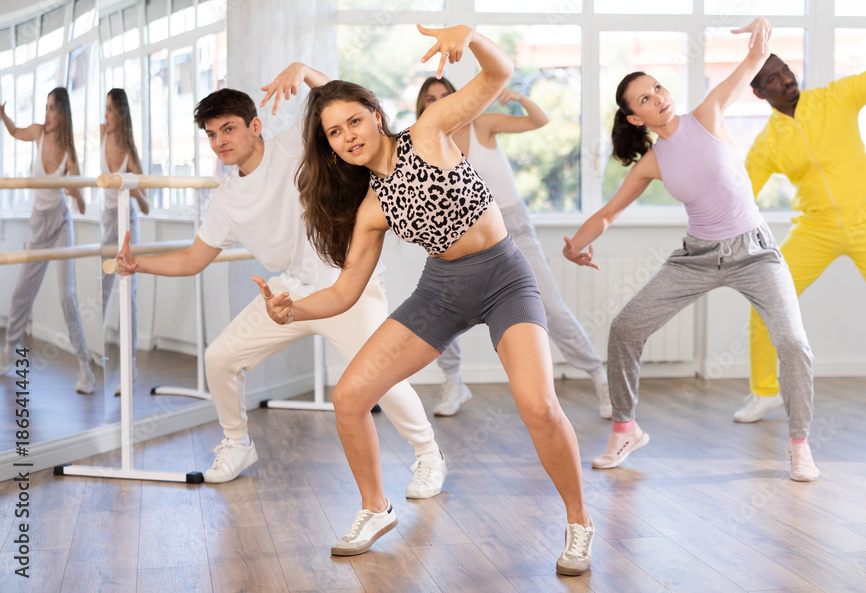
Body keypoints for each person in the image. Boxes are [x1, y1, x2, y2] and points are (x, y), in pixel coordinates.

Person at [257, 24, 594, 575]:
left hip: (504, 276)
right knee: (348, 398)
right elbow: (345, 292)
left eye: (354, 121)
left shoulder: (431, 129)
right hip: (441, 291)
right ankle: (375, 507)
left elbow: (499, 72)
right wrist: (291, 308)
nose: (348, 136)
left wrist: (473, 35)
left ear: (377, 116)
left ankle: (578, 521)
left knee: (539, 407)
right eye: (335, 133)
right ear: (331, 147)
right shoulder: (372, 208)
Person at [114, 86, 447, 497]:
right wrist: (138, 265)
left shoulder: (292, 146)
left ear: (255, 126)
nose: (221, 142)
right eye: (212, 134)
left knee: (380, 378)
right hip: (291, 292)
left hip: (348, 286)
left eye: (229, 129)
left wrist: (306, 74)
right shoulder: (226, 200)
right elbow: (192, 259)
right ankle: (237, 445)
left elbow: (343, 104)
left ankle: (429, 455)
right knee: (219, 357)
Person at [563, 19, 819, 482]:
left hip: (755, 252)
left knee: (793, 343)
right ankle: (625, 428)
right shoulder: (651, 163)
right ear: (636, 118)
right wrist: (574, 246)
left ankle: (799, 444)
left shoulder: (709, 113)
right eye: (644, 98)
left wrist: (761, 27)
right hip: (697, 257)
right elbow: (607, 213)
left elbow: (754, 61)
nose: (657, 96)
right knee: (625, 329)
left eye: (657, 87)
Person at [741, 50, 866, 432]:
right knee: (765, 297)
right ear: (758, 92)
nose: (786, 78)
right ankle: (764, 390)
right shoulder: (768, 143)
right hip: (815, 230)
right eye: (773, 78)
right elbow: (740, 192)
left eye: (785, 69)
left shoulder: (836, 97)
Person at [415, 77, 611, 418]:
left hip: (513, 228)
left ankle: (601, 378)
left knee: (549, 307)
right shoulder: (422, 144)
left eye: (445, 95)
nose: (439, 103)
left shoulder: (483, 124)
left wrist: (518, 96)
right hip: (463, 236)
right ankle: (453, 382)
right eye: (430, 99)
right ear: (422, 107)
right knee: (438, 308)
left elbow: (539, 121)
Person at [0, 88, 96, 394]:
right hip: (37, 228)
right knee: (19, 295)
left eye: (52, 108)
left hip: (60, 226)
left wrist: (76, 192)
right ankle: (7, 354)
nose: (46, 114)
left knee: (67, 296)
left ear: (63, 113)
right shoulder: (39, 133)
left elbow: (81, 205)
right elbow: (15, 131)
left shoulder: (68, 151)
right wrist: (2, 114)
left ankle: (85, 369)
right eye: (45, 107)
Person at [101, 88, 149, 390]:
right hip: (106, 222)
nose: (105, 116)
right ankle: (99, 360)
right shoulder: (102, 135)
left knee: (127, 296)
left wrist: (133, 190)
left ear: (120, 113)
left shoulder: (130, 152)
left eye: (109, 110)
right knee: (103, 289)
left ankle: (128, 367)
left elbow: (147, 205)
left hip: (127, 226)